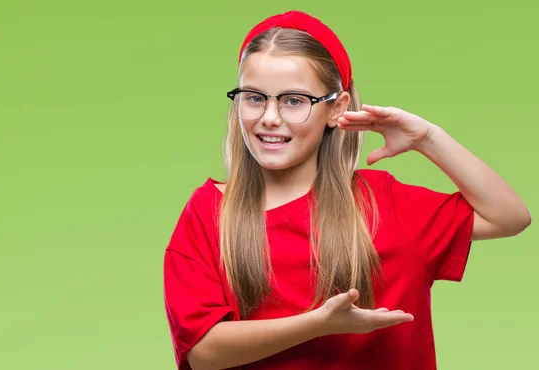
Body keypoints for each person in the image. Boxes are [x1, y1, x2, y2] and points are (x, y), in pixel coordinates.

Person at [162, 10, 531, 370]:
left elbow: (509, 216)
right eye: (255, 97)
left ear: (336, 109)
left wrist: (427, 138)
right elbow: (203, 352)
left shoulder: (384, 203)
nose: (270, 117)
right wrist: (318, 324)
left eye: (294, 100)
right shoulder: (209, 212)